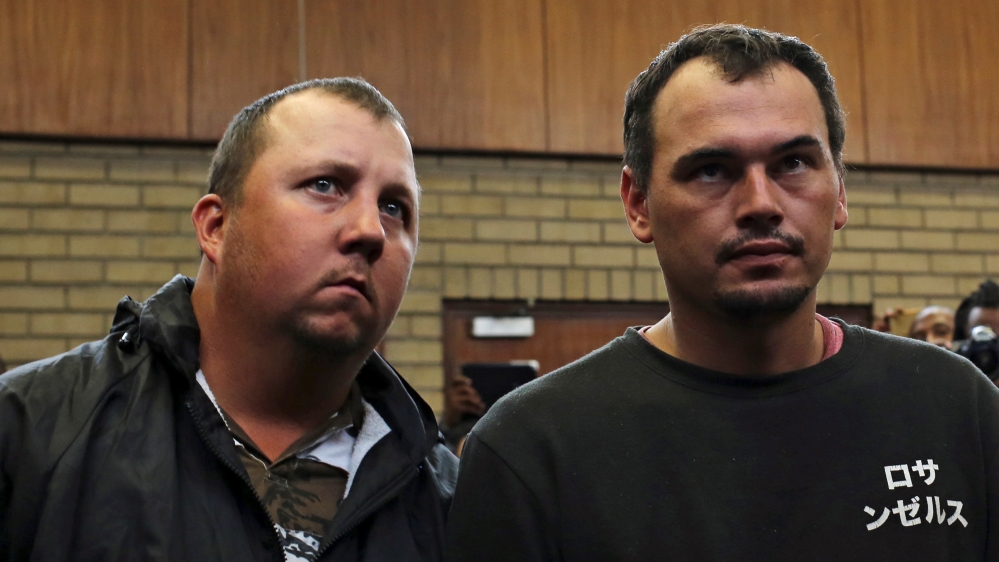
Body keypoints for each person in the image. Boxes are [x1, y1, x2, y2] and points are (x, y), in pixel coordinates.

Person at [446, 24, 999, 560]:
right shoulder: (532, 450)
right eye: (712, 170)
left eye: (795, 163)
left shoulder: (960, 411)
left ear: (841, 193)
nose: (761, 202)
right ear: (638, 203)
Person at [0, 78, 457, 561]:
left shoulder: (451, 498)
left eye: (394, 208)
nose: (370, 231)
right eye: (325, 185)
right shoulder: (30, 435)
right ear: (216, 227)